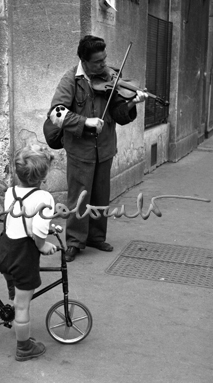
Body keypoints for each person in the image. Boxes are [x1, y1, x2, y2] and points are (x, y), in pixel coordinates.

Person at [48, 35, 148, 262]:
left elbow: (118, 115)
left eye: (104, 59)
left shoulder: (111, 77)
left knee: (101, 196)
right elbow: (56, 113)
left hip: (104, 148)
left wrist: (132, 103)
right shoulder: (70, 80)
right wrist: (85, 122)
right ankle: (74, 241)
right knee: (79, 199)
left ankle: (95, 236)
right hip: (80, 150)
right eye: (98, 62)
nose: (104, 66)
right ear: (84, 60)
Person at [0, 144, 57, 361]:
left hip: (2, 250)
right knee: (22, 306)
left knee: (15, 281)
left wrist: (50, 227)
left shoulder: (10, 192)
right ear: (43, 178)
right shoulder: (44, 199)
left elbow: (20, 218)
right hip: (22, 256)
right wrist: (43, 245)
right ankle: (24, 348)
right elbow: (37, 232)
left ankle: (13, 287)